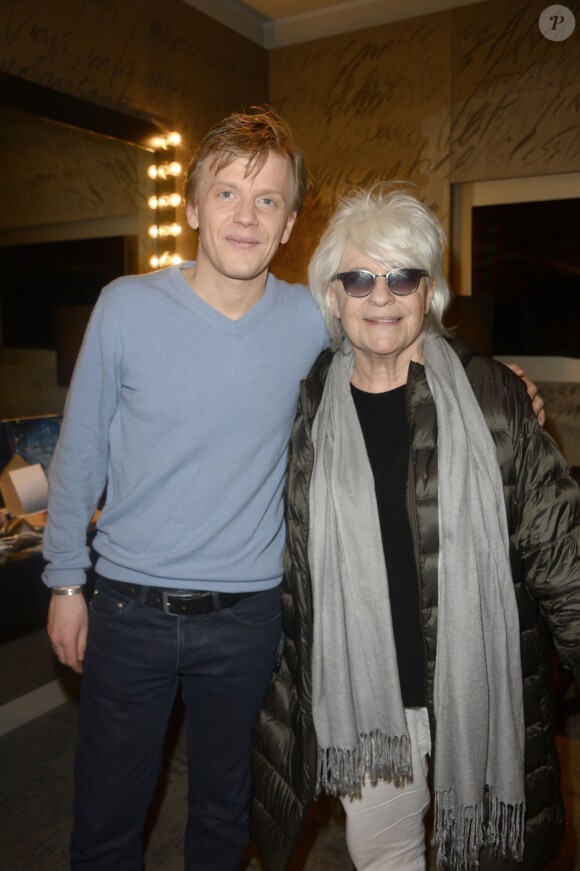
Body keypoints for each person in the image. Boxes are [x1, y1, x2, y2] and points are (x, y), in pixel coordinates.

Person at [44, 106, 543, 871]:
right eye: (227, 194)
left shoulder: (311, 321)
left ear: (288, 226)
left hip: (249, 619)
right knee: (106, 820)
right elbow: (77, 455)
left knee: (223, 814)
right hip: (126, 606)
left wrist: (498, 386)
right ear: (191, 207)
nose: (246, 216)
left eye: (268, 199)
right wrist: (65, 581)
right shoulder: (124, 307)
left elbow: (401, 329)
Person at [250, 186, 580, 871]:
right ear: (333, 296)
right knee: (384, 857)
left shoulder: (489, 394)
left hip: (478, 689)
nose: (381, 295)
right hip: (368, 699)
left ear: (428, 292)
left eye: (402, 276)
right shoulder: (307, 405)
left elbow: (558, 548)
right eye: (359, 277)